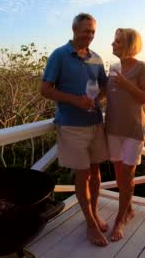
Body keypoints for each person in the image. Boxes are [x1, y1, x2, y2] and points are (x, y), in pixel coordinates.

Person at [40, 13, 110, 246]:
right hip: (71, 125)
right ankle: (90, 223)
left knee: (96, 174)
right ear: (74, 30)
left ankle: (95, 213)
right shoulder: (59, 55)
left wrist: (96, 99)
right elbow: (46, 89)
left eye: (92, 31)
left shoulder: (97, 58)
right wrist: (74, 100)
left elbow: (105, 88)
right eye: (85, 31)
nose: (89, 35)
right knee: (83, 176)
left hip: (95, 124)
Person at [105, 28, 145, 241]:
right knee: (119, 177)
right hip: (113, 128)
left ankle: (119, 220)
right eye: (114, 41)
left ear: (130, 45)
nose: (113, 44)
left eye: (118, 42)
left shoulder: (141, 67)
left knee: (128, 177)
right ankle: (129, 209)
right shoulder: (114, 67)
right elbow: (108, 95)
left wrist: (125, 83)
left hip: (133, 130)